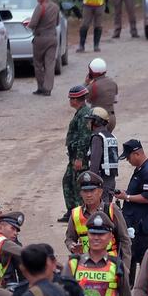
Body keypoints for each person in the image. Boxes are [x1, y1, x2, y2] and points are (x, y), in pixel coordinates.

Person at [114, 139, 148, 284]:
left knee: (141, 258)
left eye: (128, 157)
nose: (128, 160)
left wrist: (126, 196)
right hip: (134, 222)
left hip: (141, 225)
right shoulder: (140, 169)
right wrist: (125, 194)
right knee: (131, 256)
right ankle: (130, 285)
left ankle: (142, 285)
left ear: (137, 154)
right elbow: (137, 192)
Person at [66, 171, 130, 260]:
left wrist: (125, 269)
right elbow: (69, 238)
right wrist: (72, 246)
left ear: (100, 192)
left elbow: (125, 240)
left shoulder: (111, 210)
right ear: (80, 193)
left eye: (92, 191)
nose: (88, 195)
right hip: (87, 266)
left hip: (110, 265)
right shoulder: (75, 214)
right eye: (85, 191)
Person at [62, 86, 95, 216]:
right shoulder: (81, 112)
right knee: (67, 181)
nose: (70, 100)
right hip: (74, 156)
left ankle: (80, 213)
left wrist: (80, 158)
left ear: (77, 99)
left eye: (71, 98)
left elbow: (84, 137)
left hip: (79, 157)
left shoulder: (84, 114)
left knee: (78, 186)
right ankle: (71, 211)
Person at [26, 0, 62, 95]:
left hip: (40, 39)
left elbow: (33, 24)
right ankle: (48, 88)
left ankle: (41, 87)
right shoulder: (55, 7)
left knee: (38, 64)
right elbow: (57, 23)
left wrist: (27, 24)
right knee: (50, 64)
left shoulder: (40, 7)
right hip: (52, 38)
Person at [85, 59, 118, 132]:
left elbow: (84, 98)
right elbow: (115, 100)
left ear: (92, 72)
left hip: (98, 120)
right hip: (112, 118)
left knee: (97, 141)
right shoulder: (113, 83)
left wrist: (86, 83)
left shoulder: (92, 86)